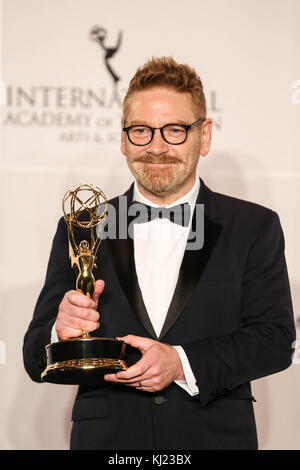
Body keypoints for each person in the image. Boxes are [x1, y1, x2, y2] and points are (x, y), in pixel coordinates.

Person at [23, 57, 295, 450]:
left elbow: (275, 340)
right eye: (141, 131)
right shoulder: (82, 226)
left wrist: (182, 363)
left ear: (204, 136)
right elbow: (35, 358)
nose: (156, 147)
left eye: (174, 130)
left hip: (214, 438)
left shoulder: (253, 227)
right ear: (122, 138)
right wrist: (59, 333)